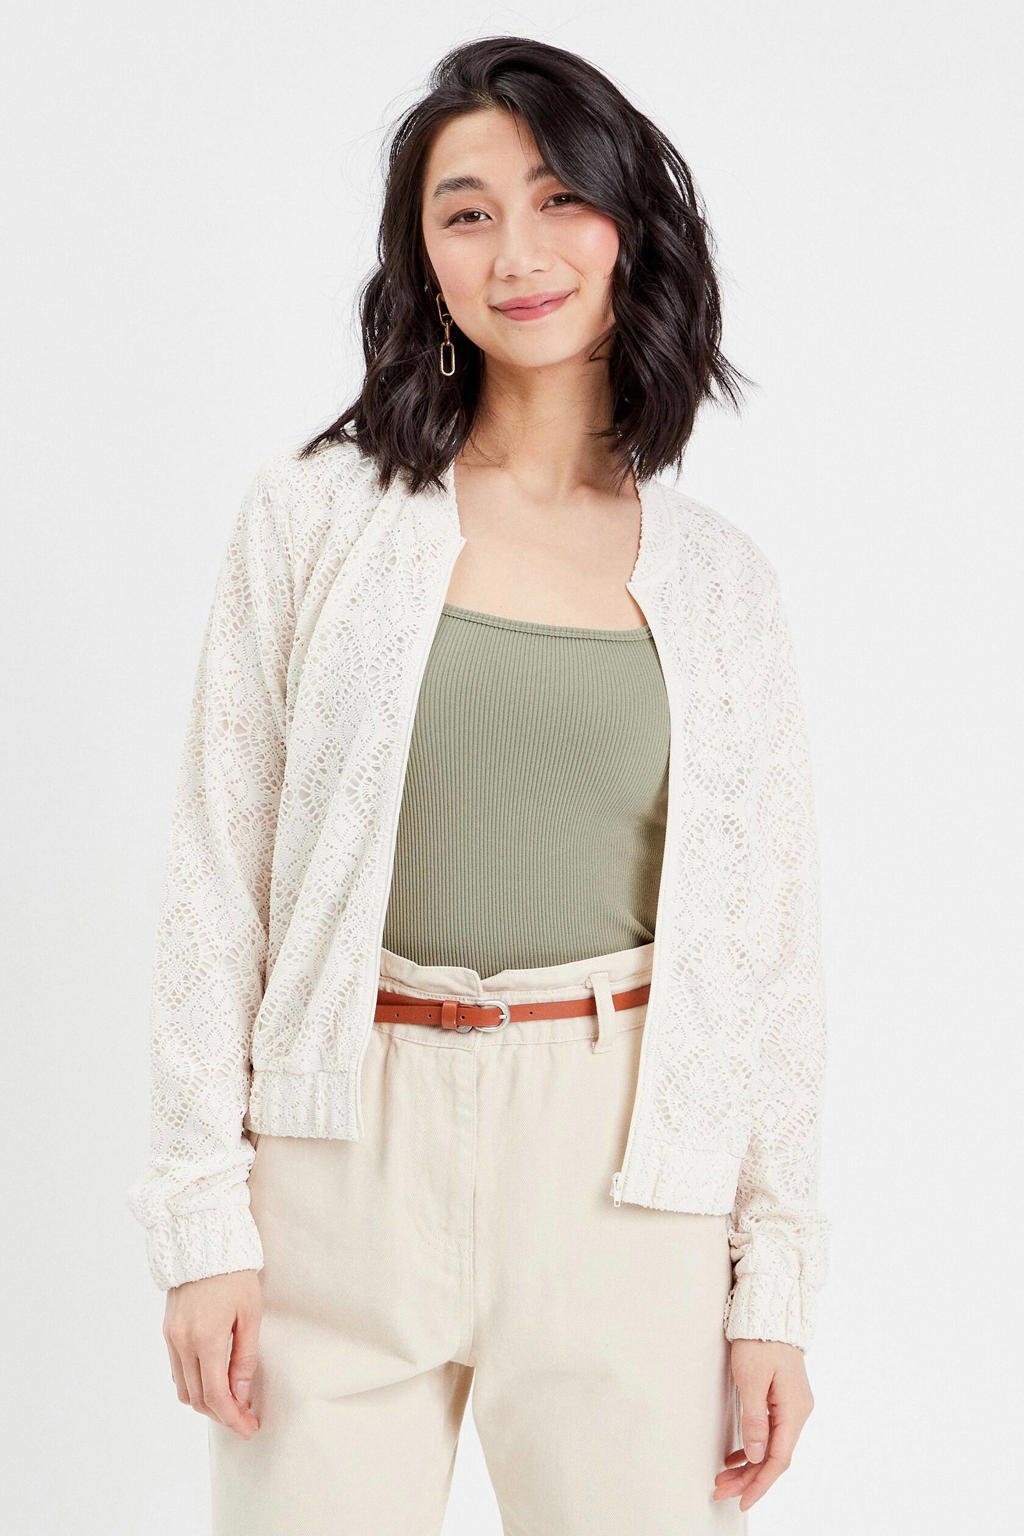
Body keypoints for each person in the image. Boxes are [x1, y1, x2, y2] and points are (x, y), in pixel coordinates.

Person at [126, 34, 831, 1536]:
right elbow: (214, 876)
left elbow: (768, 958)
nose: (518, 251)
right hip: (338, 1160)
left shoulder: (724, 588)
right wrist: (201, 1221)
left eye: (561, 197)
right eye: (467, 211)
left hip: (624, 1179)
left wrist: (771, 1287)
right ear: (423, 256)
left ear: (631, 228)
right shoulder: (314, 519)